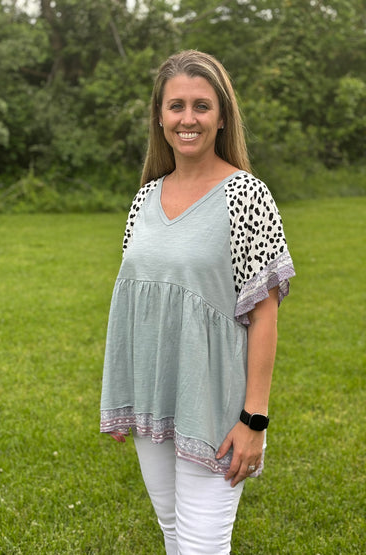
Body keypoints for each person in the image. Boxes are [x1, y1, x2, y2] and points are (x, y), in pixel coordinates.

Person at [100, 50, 295, 554]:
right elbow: (135, 306)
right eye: (177, 106)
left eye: (202, 106)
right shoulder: (144, 199)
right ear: (160, 116)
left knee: (203, 546)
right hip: (154, 404)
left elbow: (265, 317)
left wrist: (254, 420)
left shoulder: (247, 195)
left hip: (216, 411)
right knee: (173, 534)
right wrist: (126, 396)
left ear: (222, 116)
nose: (188, 119)